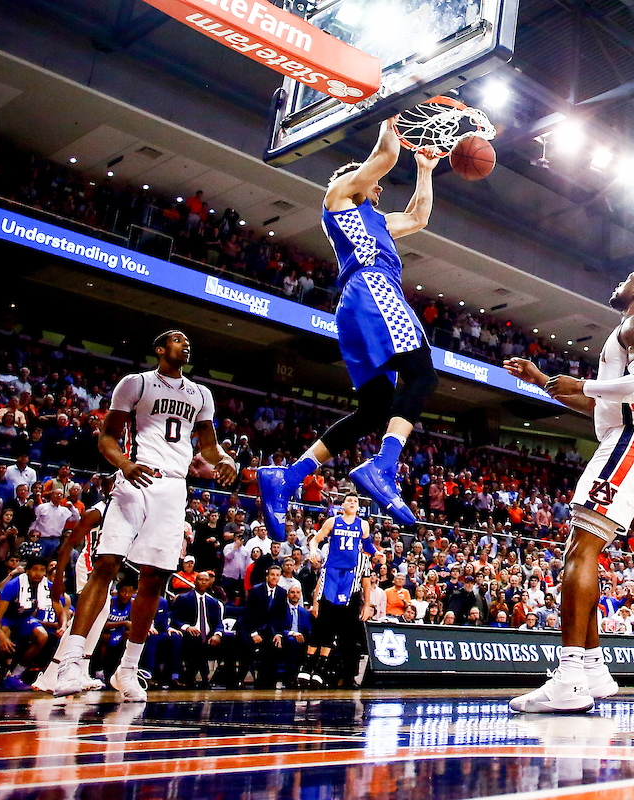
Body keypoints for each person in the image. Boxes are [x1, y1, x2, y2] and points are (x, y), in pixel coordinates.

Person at [504, 262, 634, 713]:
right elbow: (598, 403)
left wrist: (582, 381)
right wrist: (542, 381)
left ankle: (570, 678)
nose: (619, 281)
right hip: (626, 437)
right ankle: (594, 669)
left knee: (578, 553)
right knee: (583, 552)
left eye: (628, 275)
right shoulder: (629, 329)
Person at [258, 120, 442, 532]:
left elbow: (418, 217)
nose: (379, 187)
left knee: (375, 407)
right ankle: (383, 466)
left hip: (361, 302)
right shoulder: (339, 197)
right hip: (373, 288)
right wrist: (390, 115)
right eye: (372, 182)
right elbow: (385, 156)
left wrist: (426, 169)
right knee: (423, 375)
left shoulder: (378, 222)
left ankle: (288, 478)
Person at [53, 331, 237, 701]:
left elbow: (209, 448)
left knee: (154, 579)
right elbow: (106, 437)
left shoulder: (201, 394)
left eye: (188, 341)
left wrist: (227, 461)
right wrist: (125, 463)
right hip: (136, 478)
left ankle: (127, 669)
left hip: (173, 488)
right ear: (159, 348)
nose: (185, 344)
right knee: (106, 563)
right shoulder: (135, 383)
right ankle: (71, 661)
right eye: (177, 340)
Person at [31, 476, 116, 693]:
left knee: (100, 616)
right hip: (90, 565)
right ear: (107, 489)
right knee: (85, 618)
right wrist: (59, 578)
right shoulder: (98, 511)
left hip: (106, 567)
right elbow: (67, 545)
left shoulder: (123, 509)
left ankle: (81, 669)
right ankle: (51, 673)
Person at [298, 493, 376, 687]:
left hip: (349, 577)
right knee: (322, 622)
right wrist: (314, 551)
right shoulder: (333, 521)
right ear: (342, 505)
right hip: (332, 571)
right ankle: (307, 667)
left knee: (337, 628)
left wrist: (378, 554)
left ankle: (322, 669)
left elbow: (369, 547)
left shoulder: (363, 525)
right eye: (349, 500)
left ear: (358, 507)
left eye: (356, 501)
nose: (352, 502)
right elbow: (315, 540)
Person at [0, 556, 54, 689]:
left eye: (42, 570)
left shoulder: (47, 586)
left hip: (24, 618)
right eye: (35, 569)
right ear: (28, 571)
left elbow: (60, 606)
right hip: (6, 618)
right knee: (4, 634)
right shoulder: (13, 585)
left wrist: (64, 623)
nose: (38, 573)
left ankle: (16, 674)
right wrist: (0, 635)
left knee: (42, 636)